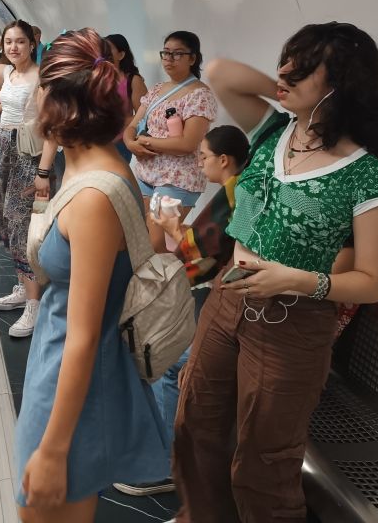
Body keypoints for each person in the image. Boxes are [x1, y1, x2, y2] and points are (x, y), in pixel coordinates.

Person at [172, 22, 378, 523]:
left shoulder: (365, 175)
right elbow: (220, 72)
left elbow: (373, 279)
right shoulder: (273, 130)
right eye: (286, 60)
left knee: (266, 457)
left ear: (341, 81)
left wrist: (298, 279)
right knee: (197, 424)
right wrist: (289, 86)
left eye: (304, 65)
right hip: (228, 299)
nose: (285, 72)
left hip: (294, 320)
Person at [15, 28, 166, 523]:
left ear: (54, 102)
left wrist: (55, 449)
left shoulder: (93, 196)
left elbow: (82, 336)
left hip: (72, 374)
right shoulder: (95, 168)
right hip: (63, 360)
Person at [113, 124, 250, 499]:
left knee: (172, 364)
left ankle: (169, 462)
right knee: (171, 363)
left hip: (234, 308)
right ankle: (164, 451)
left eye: (202, 156)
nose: (199, 162)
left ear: (224, 160)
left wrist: (173, 227)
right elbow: (209, 246)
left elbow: (203, 257)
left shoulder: (236, 194)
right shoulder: (234, 190)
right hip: (229, 302)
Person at [0, 20, 57, 338]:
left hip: (28, 158)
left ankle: (34, 303)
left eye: (20, 42)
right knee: (6, 223)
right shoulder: (6, 73)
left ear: (33, 45)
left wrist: (43, 173)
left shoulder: (41, 79)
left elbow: (52, 131)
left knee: (23, 229)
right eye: (8, 42)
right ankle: (23, 286)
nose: (14, 48)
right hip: (3, 154)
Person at [124, 31, 217, 253]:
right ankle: (162, 284)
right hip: (147, 175)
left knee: (156, 243)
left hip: (176, 179)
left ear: (192, 59)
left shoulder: (200, 95)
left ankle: (181, 282)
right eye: (165, 53)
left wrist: (146, 142)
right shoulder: (157, 89)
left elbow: (187, 144)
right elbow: (133, 125)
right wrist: (130, 143)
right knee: (145, 238)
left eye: (177, 54)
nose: (168, 59)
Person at [105, 33, 148, 162]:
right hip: (96, 143)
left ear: (121, 55)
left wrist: (119, 122)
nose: (103, 53)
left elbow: (144, 115)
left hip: (120, 144)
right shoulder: (95, 78)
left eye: (108, 49)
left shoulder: (133, 80)